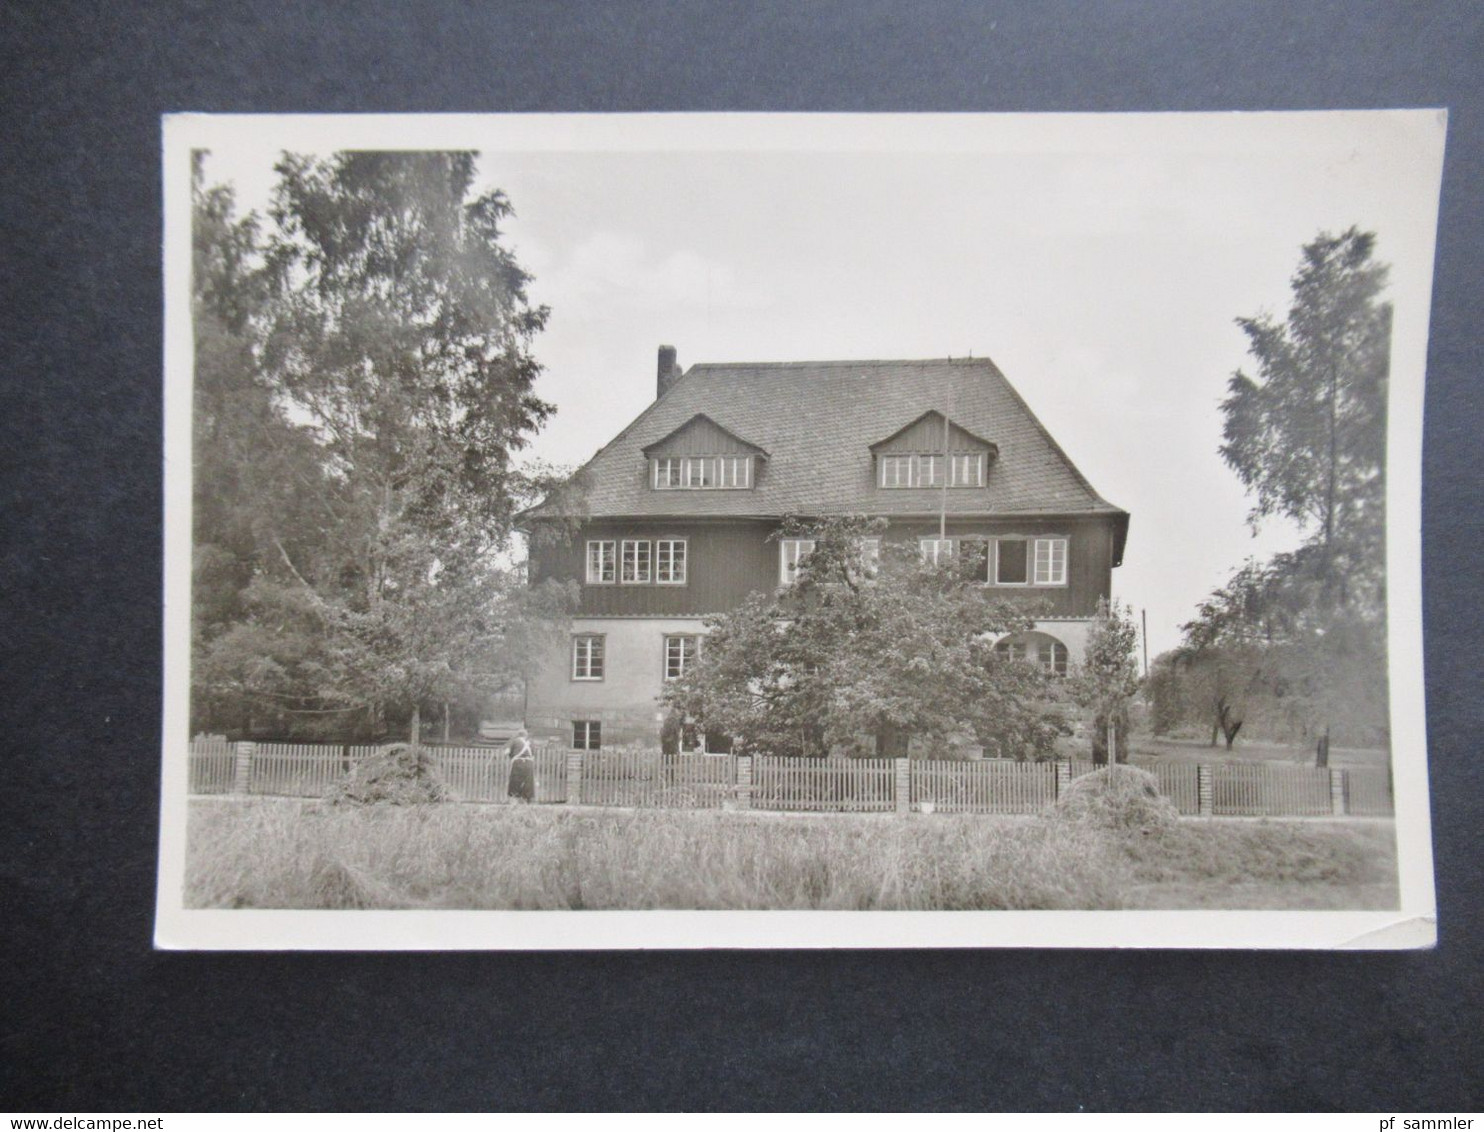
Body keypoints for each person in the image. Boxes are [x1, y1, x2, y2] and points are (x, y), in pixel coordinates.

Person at [505, 729, 535, 803]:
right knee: (528, 781)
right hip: (529, 762)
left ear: (518, 735)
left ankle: (514, 798)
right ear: (526, 736)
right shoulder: (530, 743)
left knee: (515, 780)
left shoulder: (515, 741)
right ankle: (527, 799)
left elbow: (509, 753)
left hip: (518, 762)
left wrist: (511, 757)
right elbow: (533, 754)